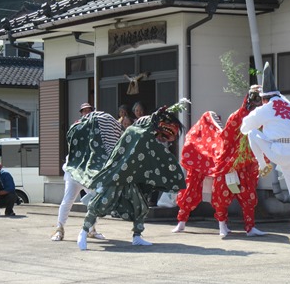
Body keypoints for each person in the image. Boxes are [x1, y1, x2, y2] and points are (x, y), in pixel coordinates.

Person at [73, 100, 189, 250]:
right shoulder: (136, 133)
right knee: (101, 202)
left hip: (133, 177)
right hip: (118, 175)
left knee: (140, 206)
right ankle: (83, 232)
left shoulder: (146, 135)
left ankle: (137, 236)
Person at [172, 87, 268, 237]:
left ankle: (250, 227)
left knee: (248, 196)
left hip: (245, 162)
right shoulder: (236, 117)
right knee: (221, 196)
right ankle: (218, 224)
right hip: (228, 164)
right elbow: (228, 137)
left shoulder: (261, 120)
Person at [240, 62, 290, 244]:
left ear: (264, 99)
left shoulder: (266, 107)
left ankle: (263, 165)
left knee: (253, 133)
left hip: (278, 151)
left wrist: (257, 111)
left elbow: (245, 127)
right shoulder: (289, 103)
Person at [51, 103, 123, 241]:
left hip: (91, 172)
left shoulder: (98, 128)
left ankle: (91, 229)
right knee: (68, 200)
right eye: (84, 111)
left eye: (89, 110)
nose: (86, 113)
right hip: (75, 170)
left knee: (94, 200)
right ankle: (59, 229)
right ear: (81, 113)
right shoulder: (78, 127)